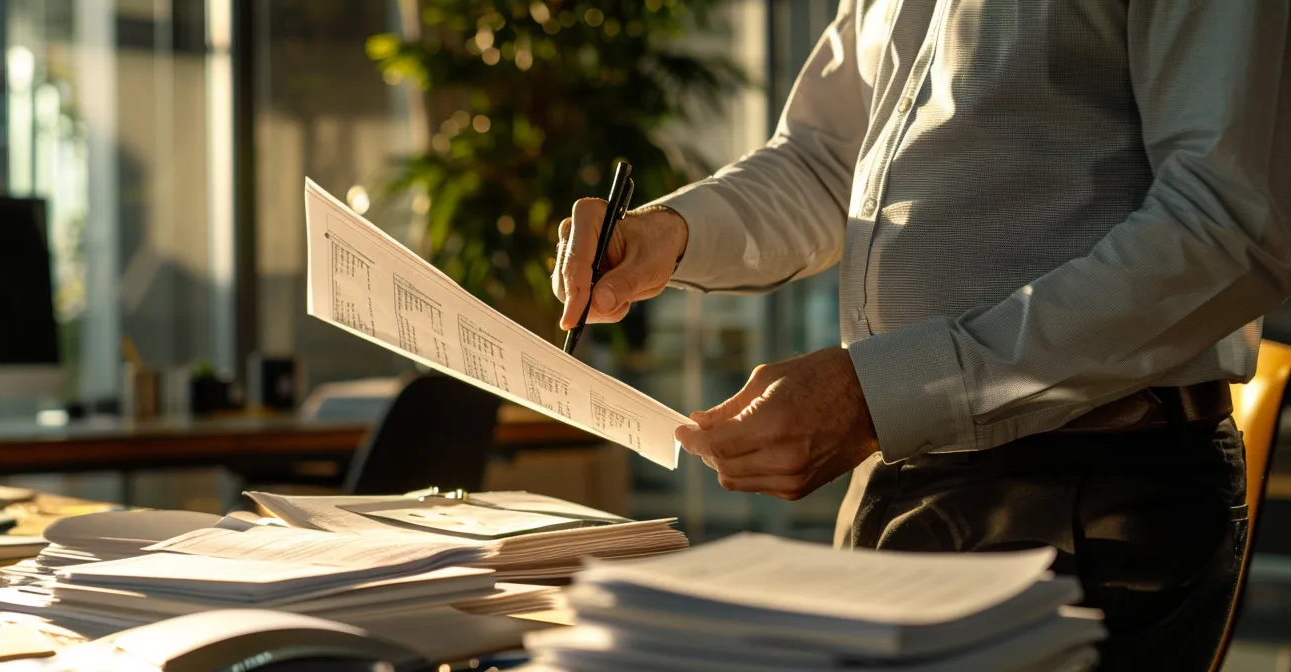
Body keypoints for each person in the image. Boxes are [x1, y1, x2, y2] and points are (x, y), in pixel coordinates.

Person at [551, 1, 1289, 668]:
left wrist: (882, 393)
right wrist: (672, 234)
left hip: (1094, 498)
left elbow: (1226, 224)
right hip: (898, 473)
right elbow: (823, 157)